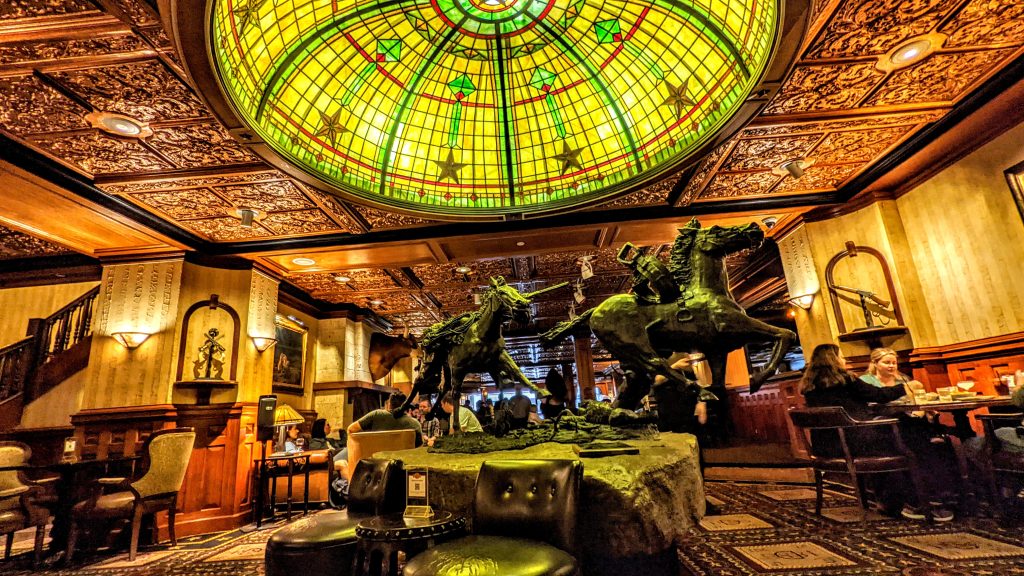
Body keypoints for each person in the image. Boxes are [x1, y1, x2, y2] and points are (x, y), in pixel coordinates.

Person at [800, 343, 954, 521]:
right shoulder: (845, 381)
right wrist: (906, 387)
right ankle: (925, 499)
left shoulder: (810, 387)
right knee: (914, 436)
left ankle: (893, 500)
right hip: (854, 441)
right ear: (833, 360)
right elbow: (879, 395)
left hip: (827, 446)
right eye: (841, 356)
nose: (843, 360)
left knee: (907, 432)